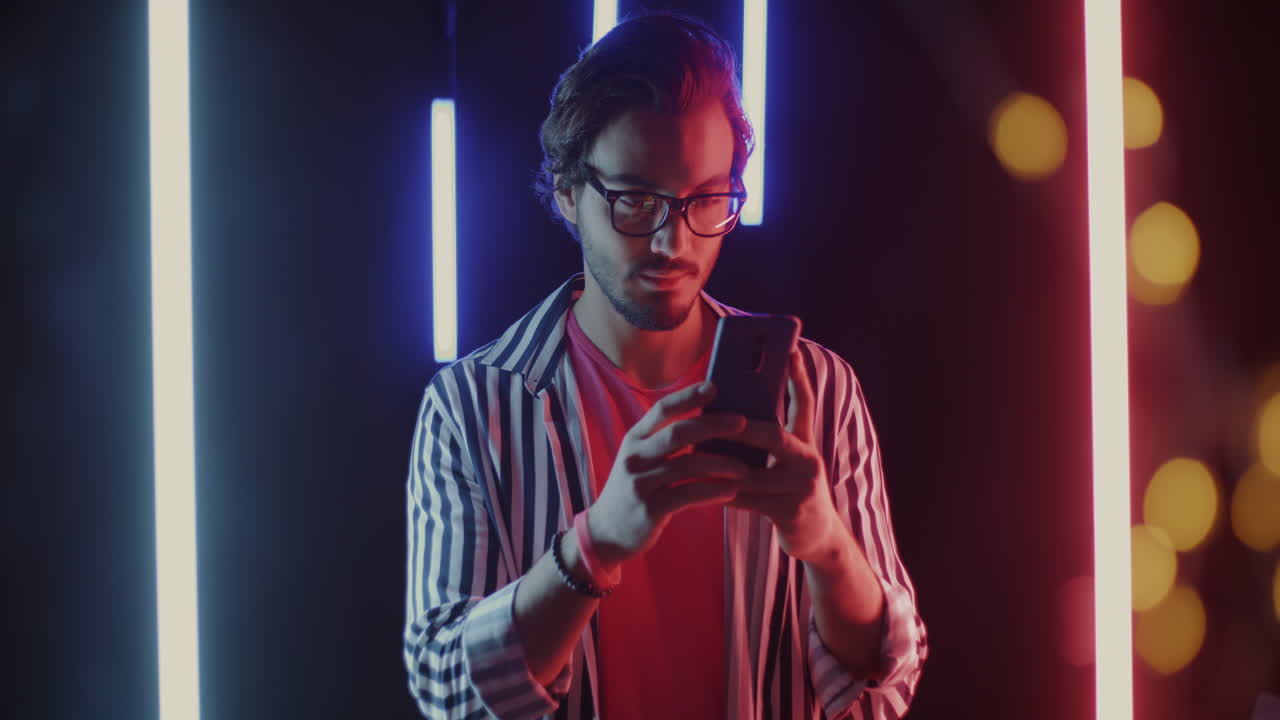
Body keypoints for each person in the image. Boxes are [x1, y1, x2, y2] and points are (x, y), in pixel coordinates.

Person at [403, 12, 927, 720]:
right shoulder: (473, 407)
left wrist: (826, 545)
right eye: (634, 200)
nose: (671, 240)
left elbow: (885, 690)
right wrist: (594, 544)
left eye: (704, 200)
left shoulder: (820, 391)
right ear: (566, 194)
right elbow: (446, 691)